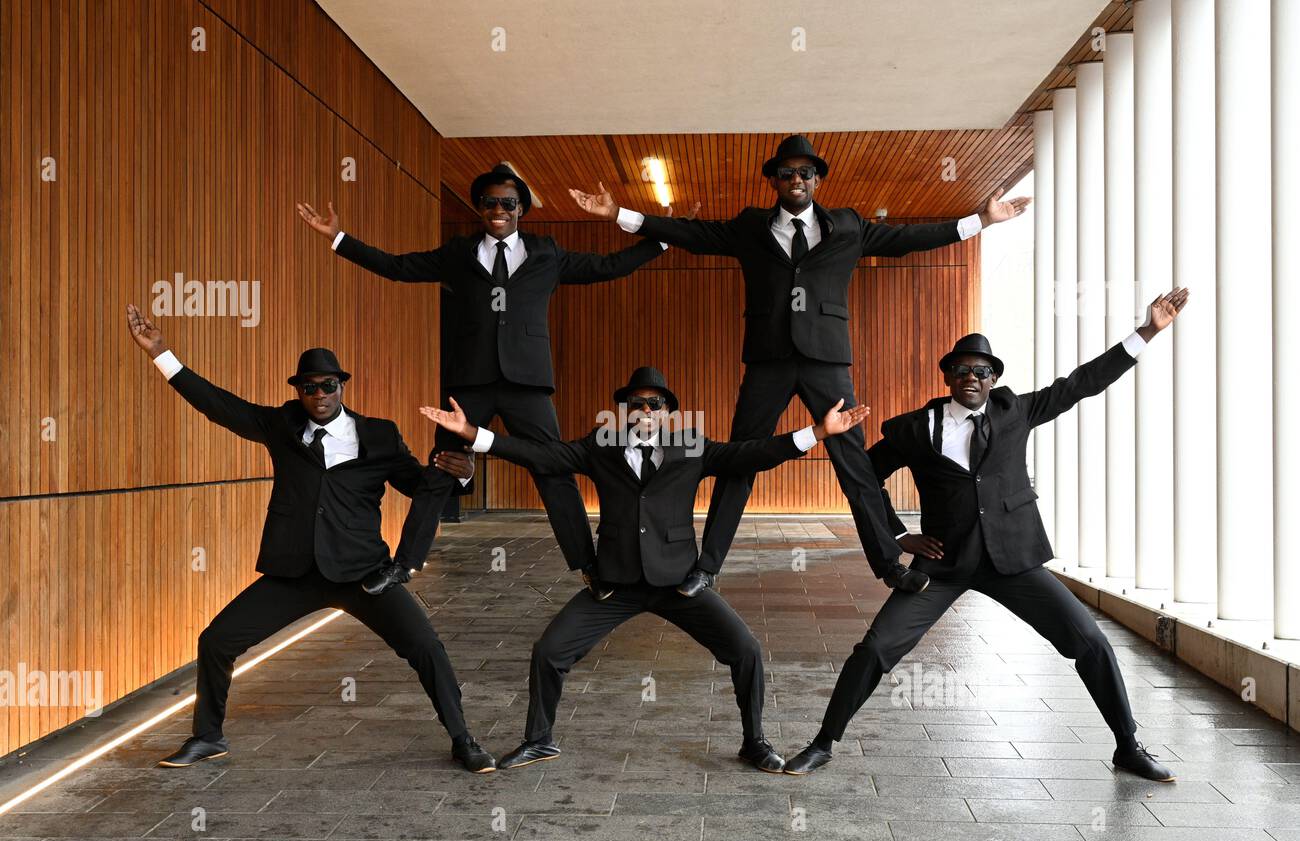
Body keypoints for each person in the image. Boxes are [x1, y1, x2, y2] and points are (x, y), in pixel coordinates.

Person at [570, 135, 1030, 599]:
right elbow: (693, 233)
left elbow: (909, 239)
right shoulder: (750, 227)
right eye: (787, 173)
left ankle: (889, 564)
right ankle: (706, 568)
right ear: (774, 179)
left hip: (826, 363)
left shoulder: (849, 226)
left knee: (854, 466)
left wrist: (982, 221)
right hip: (767, 362)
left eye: (805, 173)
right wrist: (618, 215)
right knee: (739, 464)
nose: (796, 180)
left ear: (817, 179)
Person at [782, 289, 1191, 782]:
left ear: (993, 378)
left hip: (1012, 561)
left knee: (1091, 642)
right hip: (943, 565)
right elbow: (864, 480)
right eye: (961, 370)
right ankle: (823, 743)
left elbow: (1082, 383)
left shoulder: (1014, 411)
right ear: (947, 376)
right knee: (873, 650)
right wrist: (896, 536)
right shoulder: (915, 428)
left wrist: (1145, 331)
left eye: (981, 371)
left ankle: (1127, 746)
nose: (971, 378)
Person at [421, 366, 869, 772]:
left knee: (746, 650)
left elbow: (752, 454)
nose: (645, 410)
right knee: (549, 651)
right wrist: (475, 433)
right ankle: (539, 740)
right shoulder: (602, 445)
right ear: (624, 412)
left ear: (669, 412)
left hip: (680, 584)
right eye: (636, 404)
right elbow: (545, 457)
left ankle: (754, 742)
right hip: (616, 585)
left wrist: (816, 432)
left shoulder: (691, 447)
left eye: (655, 403)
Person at [125, 304, 496, 773]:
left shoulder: (378, 435)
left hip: (365, 575)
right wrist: (162, 354)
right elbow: (220, 405)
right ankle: (208, 737)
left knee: (427, 649)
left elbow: (422, 488)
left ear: (342, 387)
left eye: (327, 386)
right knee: (216, 640)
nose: (318, 394)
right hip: (294, 573)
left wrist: (462, 476)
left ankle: (463, 740)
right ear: (299, 391)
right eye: (308, 387)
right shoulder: (281, 425)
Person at [298, 164, 668, 599]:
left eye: (508, 203)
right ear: (479, 207)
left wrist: (664, 237)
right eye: (490, 202)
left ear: (521, 210)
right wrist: (339, 239)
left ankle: (589, 567)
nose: (498, 209)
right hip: (470, 381)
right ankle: (402, 566)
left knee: (553, 469)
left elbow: (610, 266)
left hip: (527, 383)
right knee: (442, 467)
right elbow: (399, 267)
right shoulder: (457, 253)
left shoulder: (547, 253)